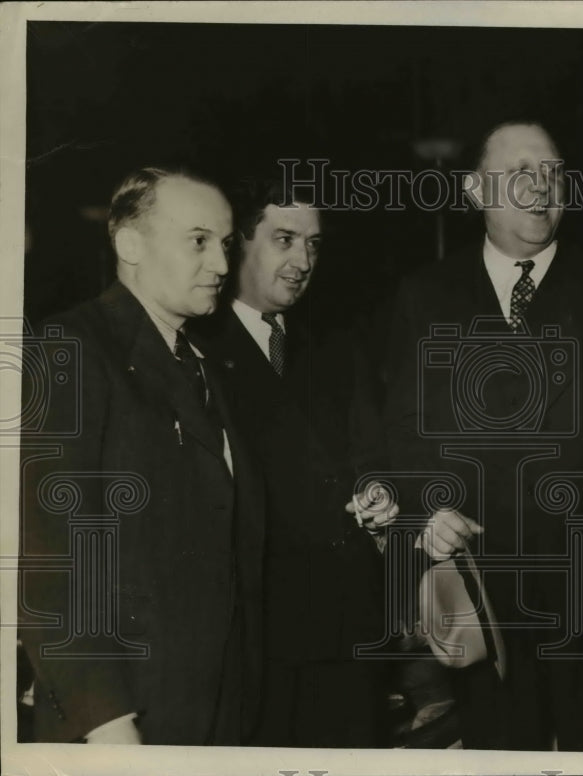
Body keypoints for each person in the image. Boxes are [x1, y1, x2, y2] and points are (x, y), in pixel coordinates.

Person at [383, 120, 583, 751]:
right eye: (519, 174)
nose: (541, 187)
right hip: (486, 603)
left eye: (553, 172)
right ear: (477, 190)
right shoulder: (425, 296)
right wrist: (429, 506)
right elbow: (403, 427)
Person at [18, 167, 265, 745]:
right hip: (125, 719)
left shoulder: (204, 364)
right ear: (130, 244)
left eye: (225, 245)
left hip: (215, 708)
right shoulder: (71, 349)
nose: (224, 266)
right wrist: (103, 718)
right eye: (198, 241)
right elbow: (52, 556)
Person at [195, 176, 397, 747]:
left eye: (313, 244)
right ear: (240, 244)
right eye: (285, 240)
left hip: (351, 629)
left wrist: (380, 492)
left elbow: (370, 455)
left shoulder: (334, 344)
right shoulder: (198, 347)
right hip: (259, 639)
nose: (302, 259)